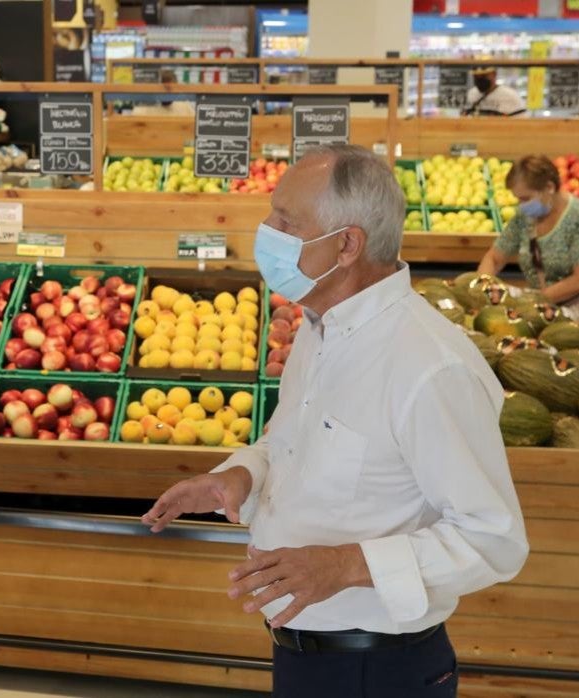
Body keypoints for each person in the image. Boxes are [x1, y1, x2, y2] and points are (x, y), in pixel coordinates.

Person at [142, 145, 528, 698]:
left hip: (377, 671)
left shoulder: (429, 367)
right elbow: (290, 439)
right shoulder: (318, 326)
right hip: (304, 654)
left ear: (346, 244)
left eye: (284, 221)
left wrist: (346, 566)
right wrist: (241, 475)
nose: (265, 232)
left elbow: (494, 538)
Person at [478, 155, 579, 361]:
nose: (521, 205)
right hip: (553, 317)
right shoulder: (526, 218)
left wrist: (532, 303)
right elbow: (495, 258)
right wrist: (481, 288)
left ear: (549, 187)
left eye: (526, 198)